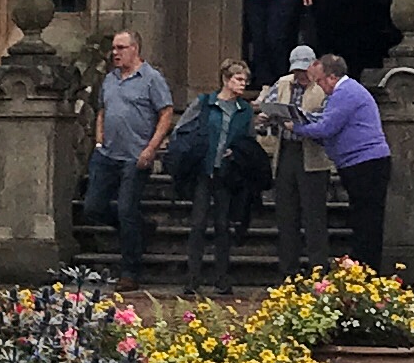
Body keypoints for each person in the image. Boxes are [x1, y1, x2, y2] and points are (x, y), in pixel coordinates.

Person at [285, 48, 394, 273]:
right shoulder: (342, 93)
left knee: (367, 222)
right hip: (357, 163)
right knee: (362, 219)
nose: (320, 87)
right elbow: (325, 120)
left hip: (366, 164)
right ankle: (363, 270)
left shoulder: (346, 93)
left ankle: (368, 272)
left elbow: (327, 127)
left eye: (321, 81)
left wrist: (295, 126)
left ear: (333, 77)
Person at [85, 25, 175, 281]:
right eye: (114, 48)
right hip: (107, 154)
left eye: (121, 48)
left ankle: (130, 271)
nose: (115, 53)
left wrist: (151, 148)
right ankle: (141, 228)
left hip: (135, 156)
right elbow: (102, 109)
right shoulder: (110, 79)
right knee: (93, 207)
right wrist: (99, 139)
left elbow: (166, 113)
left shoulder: (151, 78)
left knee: (126, 209)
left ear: (134, 49)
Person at [170, 58, 265, 290]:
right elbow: (181, 129)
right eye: (238, 79)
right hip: (203, 170)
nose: (243, 84)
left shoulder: (244, 112)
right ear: (226, 79)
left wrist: (238, 152)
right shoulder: (204, 103)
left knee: (223, 225)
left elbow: (250, 142)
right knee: (198, 223)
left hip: (227, 174)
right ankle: (193, 277)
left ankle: (222, 277)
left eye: (245, 80)